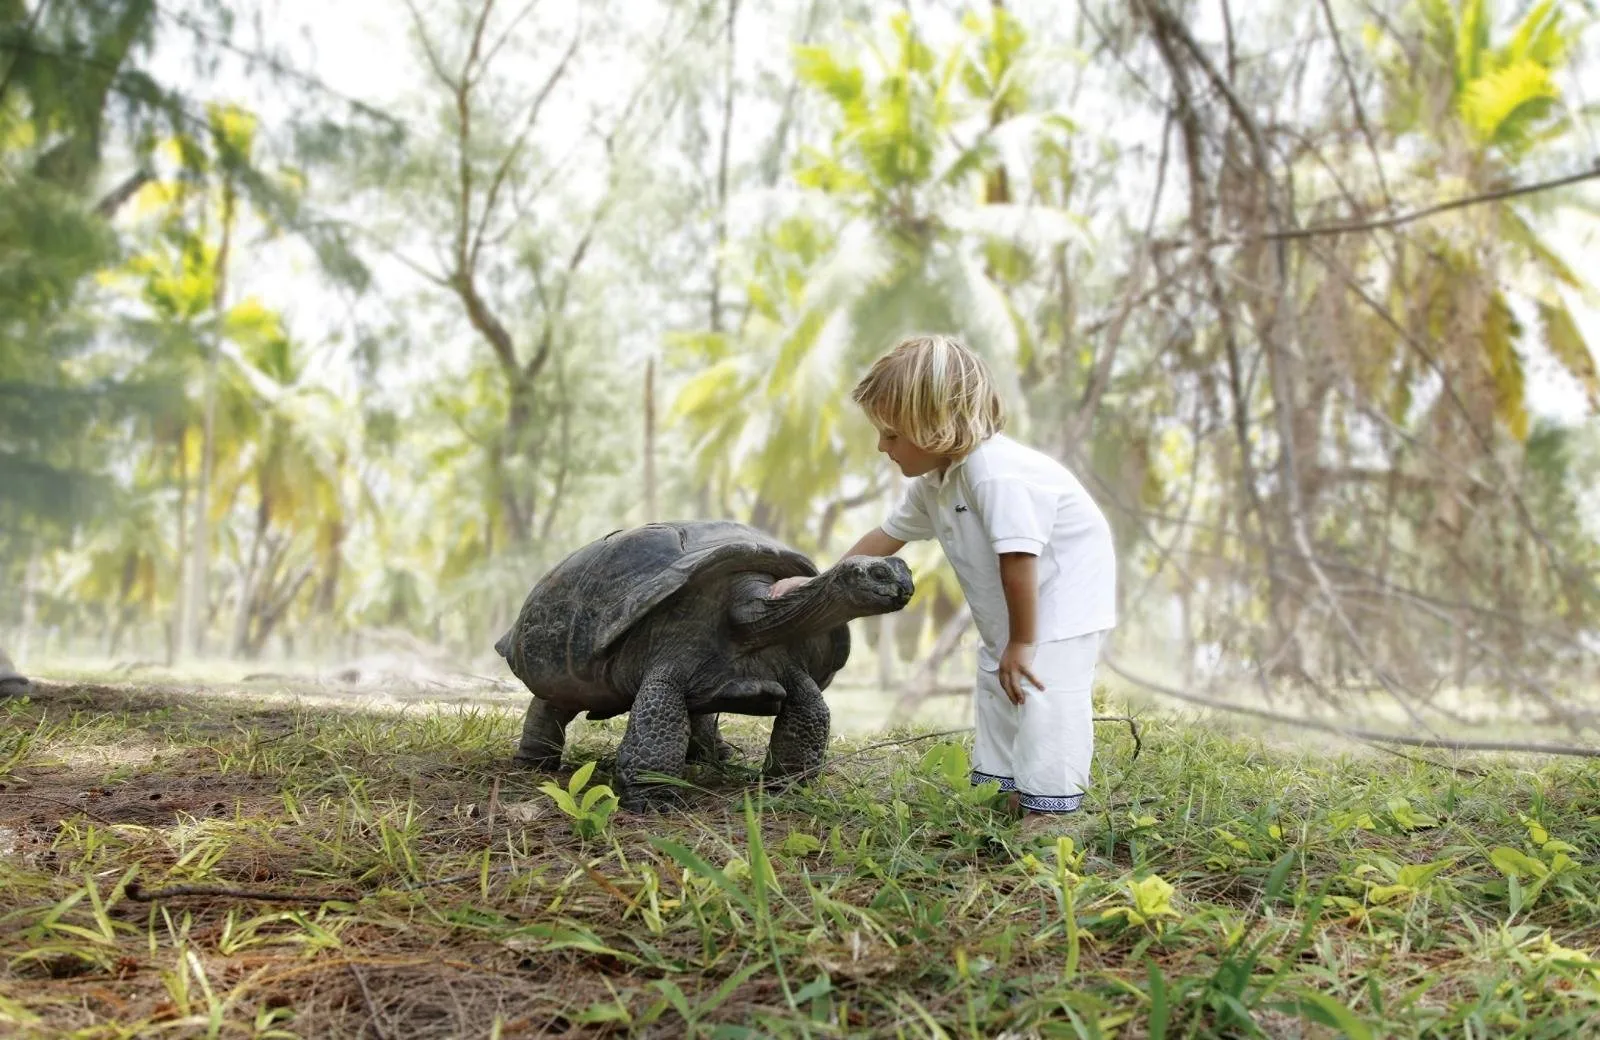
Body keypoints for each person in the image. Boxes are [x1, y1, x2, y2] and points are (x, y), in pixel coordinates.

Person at [770, 334, 1117, 835]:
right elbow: (885, 537)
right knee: (998, 685)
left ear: (935, 426)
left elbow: (1020, 556)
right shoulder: (935, 484)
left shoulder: (994, 472)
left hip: (1062, 603)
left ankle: (1052, 812)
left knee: (1045, 694)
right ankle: (1008, 789)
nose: (881, 447)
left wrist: (1022, 640)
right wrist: (818, 584)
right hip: (1014, 612)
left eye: (891, 435)